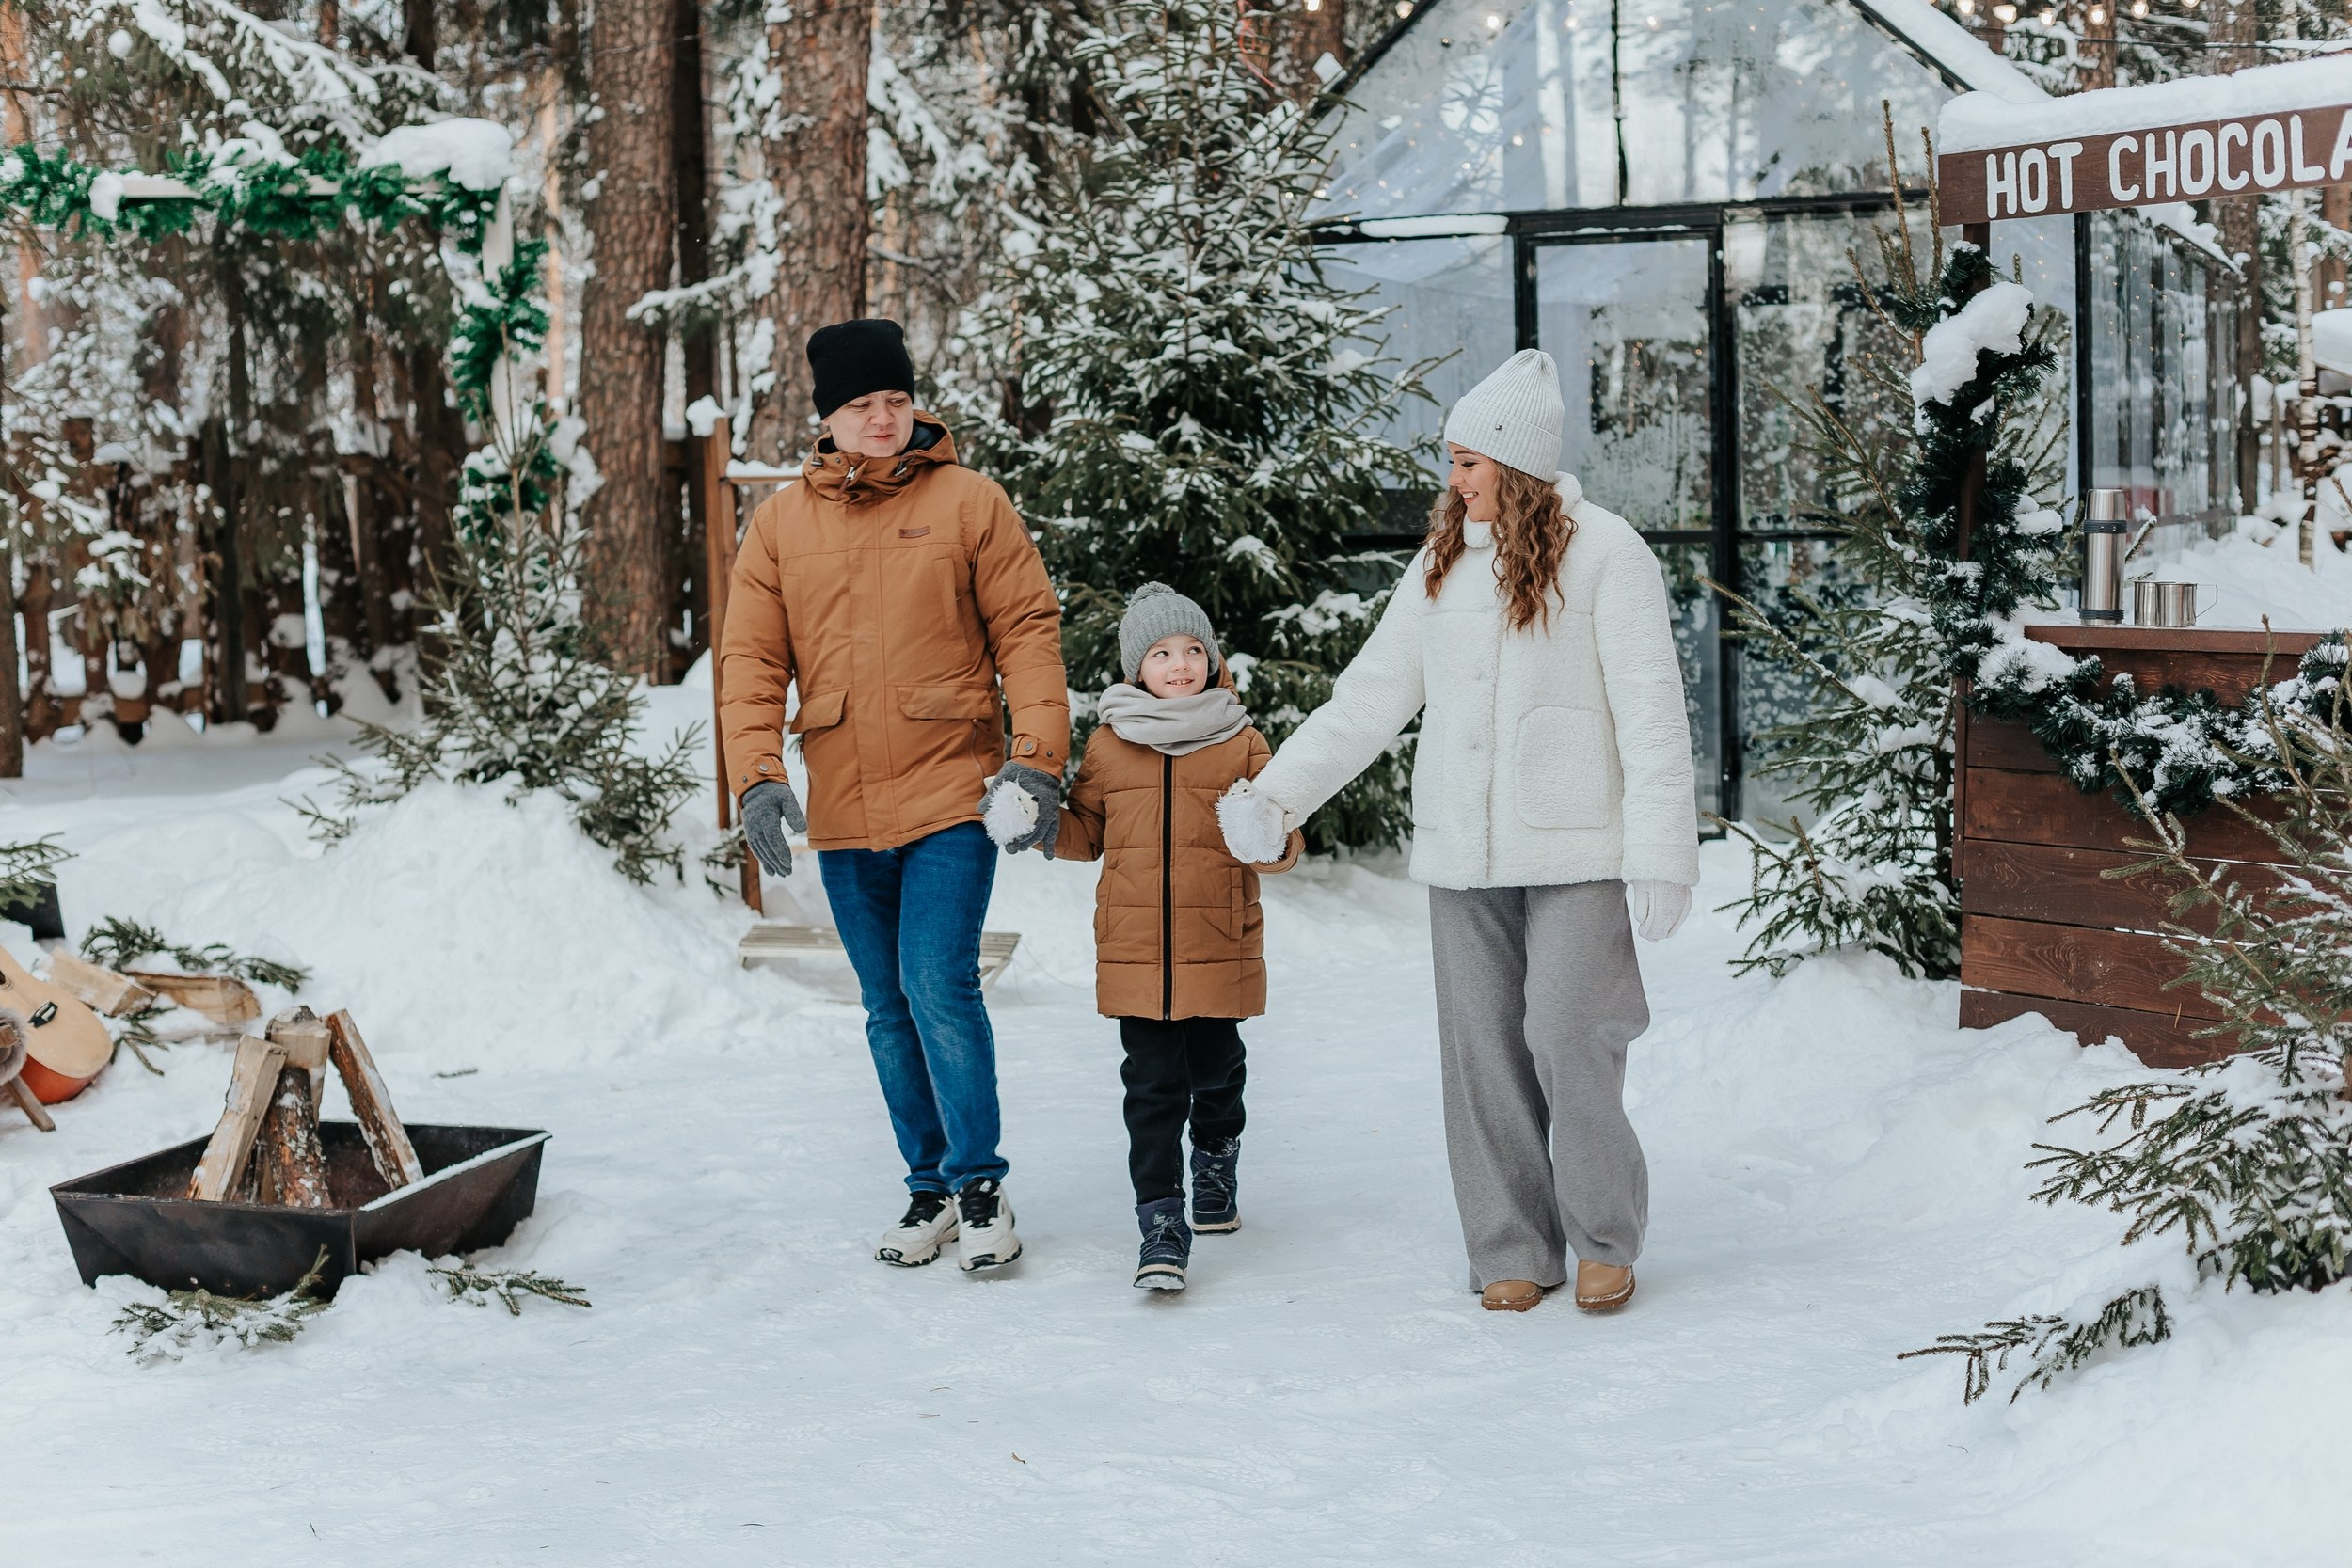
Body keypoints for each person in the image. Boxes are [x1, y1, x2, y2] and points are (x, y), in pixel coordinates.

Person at [1216, 349, 1699, 1314]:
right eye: (1451, 461)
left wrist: (1660, 849)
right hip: (1463, 848)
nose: (1453, 479)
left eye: (1468, 462)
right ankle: (1509, 1243)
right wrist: (1280, 795)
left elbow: (1651, 709)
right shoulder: (1439, 565)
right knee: (1481, 1049)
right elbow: (1369, 697)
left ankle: (1604, 1232)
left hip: (1577, 845)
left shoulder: (1607, 552)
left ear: (1514, 463)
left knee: (1567, 1032)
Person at [720, 318, 1067, 1275]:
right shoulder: (783, 524)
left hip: (953, 787)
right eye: (860, 404)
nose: (881, 417)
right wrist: (756, 772)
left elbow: (1028, 630)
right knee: (883, 1003)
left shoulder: (970, 503)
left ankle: (979, 1182)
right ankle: (929, 1187)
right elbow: (750, 658)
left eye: (893, 399)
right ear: (827, 417)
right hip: (842, 800)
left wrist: (1035, 758)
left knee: (938, 984)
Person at [994, 584, 1301, 1292]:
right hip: (1137, 952)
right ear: (1137, 668)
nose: (1181, 664)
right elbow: (1086, 832)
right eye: (1163, 653)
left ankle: (1216, 1156)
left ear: (1212, 659)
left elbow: (1284, 837)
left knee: (1218, 1067)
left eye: (1194, 650)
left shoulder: (1242, 738)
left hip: (1217, 938)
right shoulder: (1110, 743)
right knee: (1153, 1085)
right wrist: (1035, 824)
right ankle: (1161, 1217)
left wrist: (1269, 836)